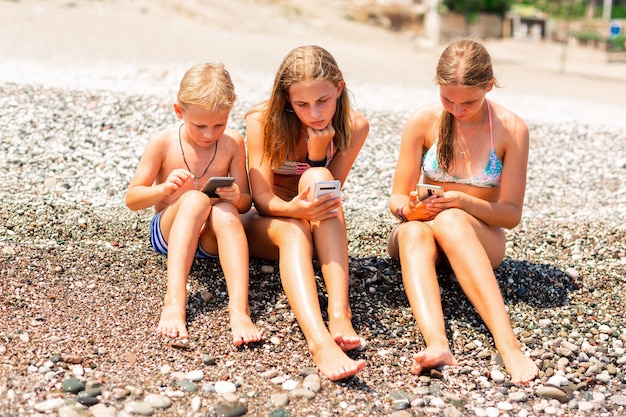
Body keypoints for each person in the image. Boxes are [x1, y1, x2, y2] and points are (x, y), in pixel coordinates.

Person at [387, 38, 539, 384]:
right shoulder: (423, 121)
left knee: (453, 220)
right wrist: (408, 209)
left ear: (488, 85)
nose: (457, 109)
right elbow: (396, 196)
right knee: (412, 231)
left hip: (479, 237)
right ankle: (437, 343)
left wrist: (462, 201)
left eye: (468, 101)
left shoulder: (511, 128)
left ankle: (508, 344)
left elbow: (511, 215)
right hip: (420, 232)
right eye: (447, 99)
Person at [242, 45, 369, 381]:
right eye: (302, 104)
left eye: (323, 101)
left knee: (318, 178)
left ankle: (340, 312)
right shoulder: (261, 121)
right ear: (287, 98)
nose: (314, 113)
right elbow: (261, 198)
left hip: (316, 216)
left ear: (339, 89)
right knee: (294, 230)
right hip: (270, 220)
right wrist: (294, 209)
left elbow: (330, 189)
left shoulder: (354, 126)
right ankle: (318, 341)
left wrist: (315, 159)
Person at [125, 63, 261, 346]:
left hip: (211, 240)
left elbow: (246, 203)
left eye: (219, 125)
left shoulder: (233, 142)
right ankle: (174, 301)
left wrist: (235, 196)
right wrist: (164, 189)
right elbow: (132, 199)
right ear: (179, 111)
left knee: (224, 211)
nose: (209, 134)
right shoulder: (163, 143)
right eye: (199, 125)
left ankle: (240, 310)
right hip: (169, 231)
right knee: (194, 199)